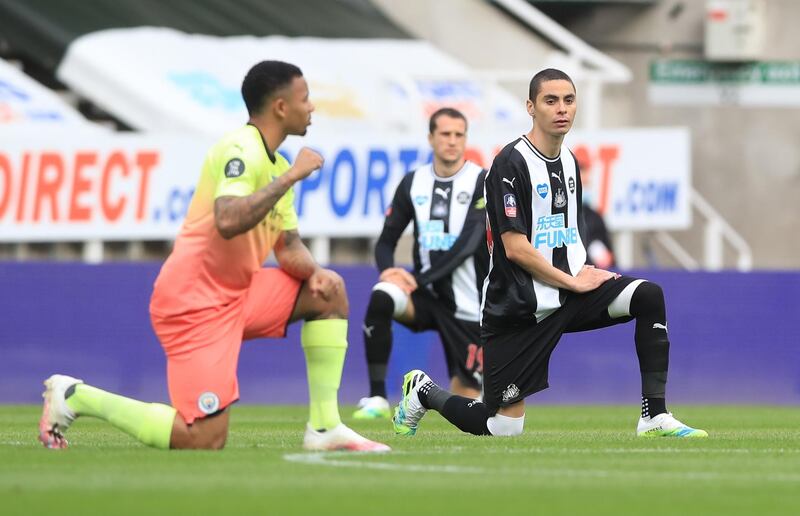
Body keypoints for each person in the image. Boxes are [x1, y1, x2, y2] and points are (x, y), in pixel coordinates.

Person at [38, 60, 389, 452]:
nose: (312, 108)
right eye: (305, 99)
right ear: (280, 107)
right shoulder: (240, 150)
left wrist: (316, 272)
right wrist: (290, 178)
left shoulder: (279, 163)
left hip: (240, 293)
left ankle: (324, 428)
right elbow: (227, 219)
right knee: (204, 438)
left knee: (330, 292)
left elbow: (287, 247)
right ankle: (75, 396)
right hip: (193, 303)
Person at [392, 69, 707, 439]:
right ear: (531, 107)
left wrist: (583, 270)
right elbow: (515, 248)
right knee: (502, 426)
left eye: (569, 100)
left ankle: (654, 415)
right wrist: (573, 281)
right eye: (550, 100)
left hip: (568, 293)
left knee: (647, 296)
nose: (562, 109)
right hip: (517, 309)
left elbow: (567, 233)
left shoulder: (570, 161)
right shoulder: (510, 163)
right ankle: (424, 392)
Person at [353, 107, 488, 419]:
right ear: (431, 138)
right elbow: (386, 241)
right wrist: (388, 269)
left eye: (459, 135)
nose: (452, 141)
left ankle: (420, 396)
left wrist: (419, 278)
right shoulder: (413, 183)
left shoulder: (482, 180)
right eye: (445, 134)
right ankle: (376, 398)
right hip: (425, 298)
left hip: (467, 305)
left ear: (466, 139)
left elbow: (468, 245)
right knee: (382, 295)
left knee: (472, 404)